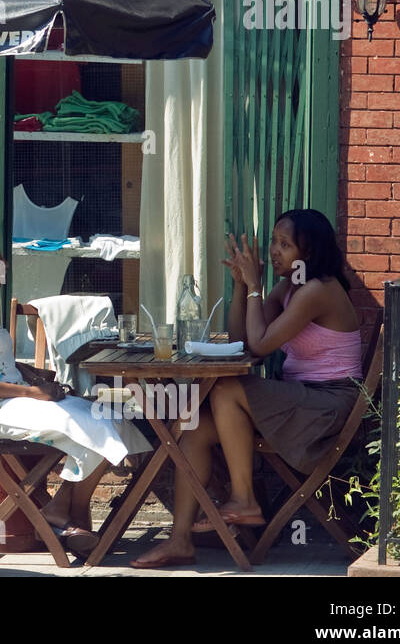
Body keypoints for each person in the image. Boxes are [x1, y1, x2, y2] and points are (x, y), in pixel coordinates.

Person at [132, 208, 364, 568]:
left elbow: (260, 345)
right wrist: (242, 286)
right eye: (274, 241)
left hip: (326, 406)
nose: (274, 251)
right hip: (299, 399)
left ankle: (244, 499)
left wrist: (256, 287)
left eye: (285, 245)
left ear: (310, 252)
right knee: (194, 426)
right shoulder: (291, 286)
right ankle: (180, 541)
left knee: (225, 389)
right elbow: (243, 339)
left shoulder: (318, 291)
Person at [0, 225, 151, 557]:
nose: (1, 262)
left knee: (106, 415)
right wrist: (28, 393)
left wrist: (32, 376)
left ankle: (61, 510)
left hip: (17, 397)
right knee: (90, 424)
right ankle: (68, 513)